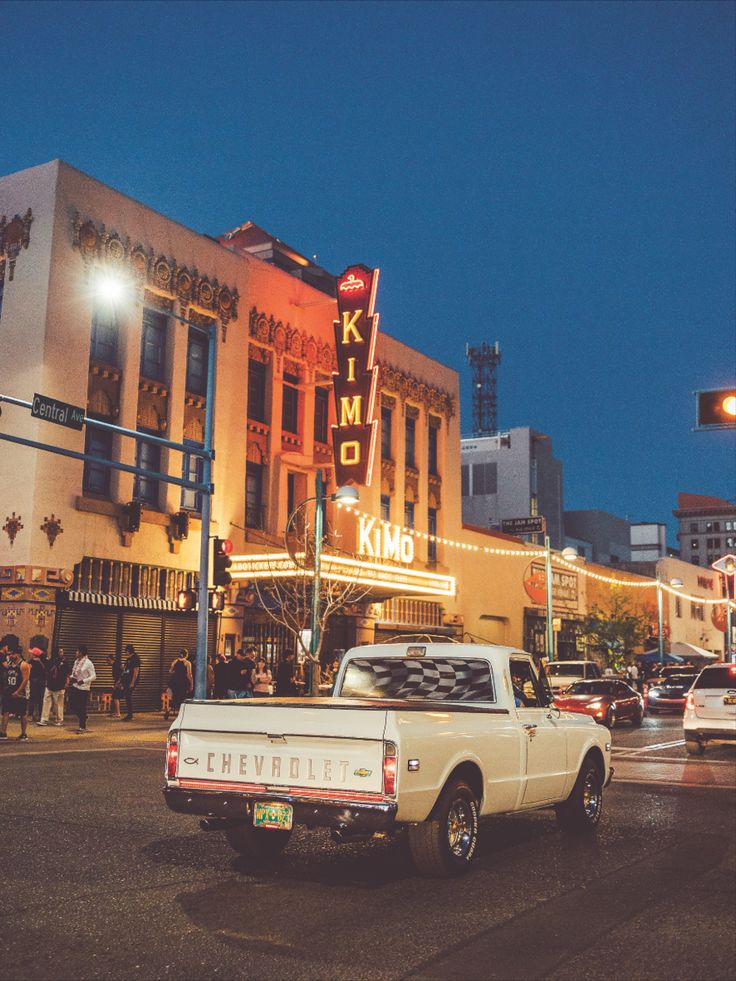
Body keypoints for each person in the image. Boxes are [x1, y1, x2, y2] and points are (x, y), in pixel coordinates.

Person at [0, 647, 31, 740]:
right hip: (9, 691)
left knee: (22, 713)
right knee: (5, 711)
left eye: (12, 654)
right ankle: (3, 732)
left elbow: (25, 680)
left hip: (19, 692)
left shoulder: (24, 665)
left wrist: (18, 691)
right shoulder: (10, 664)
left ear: (18, 654)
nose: (10, 656)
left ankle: (24, 733)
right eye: (9, 654)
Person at [38, 647, 69, 726]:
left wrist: (66, 682)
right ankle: (44, 719)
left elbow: (67, 673)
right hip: (50, 684)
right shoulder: (51, 661)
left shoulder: (64, 662)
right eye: (60, 652)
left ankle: (59, 719)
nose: (62, 653)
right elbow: (47, 669)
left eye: (62, 652)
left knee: (59, 704)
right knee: (46, 702)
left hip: (59, 685)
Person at [68, 645, 96, 733]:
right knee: (72, 704)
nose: (76, 652)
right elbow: (75, 673)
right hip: (75, 686)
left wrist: (83, 681)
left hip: (84, 688)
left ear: (81, 652)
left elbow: (94, 676)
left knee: (81, 706)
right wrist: (71, 677)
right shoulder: (76, 661)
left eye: (77, 651)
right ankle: (83, 717)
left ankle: (82, 726)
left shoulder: (88, 663)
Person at [167, 648, 193, 717]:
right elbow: (189, 674)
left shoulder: (175, 661)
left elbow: (170, 671)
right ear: (186, 655)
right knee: (183, 697)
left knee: (175, 697)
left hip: (174, 681)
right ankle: (181, 714)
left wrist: (175, 672)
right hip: (183, 682)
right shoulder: (187, 663)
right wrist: (191, 683)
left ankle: (169, 709)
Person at [120, 643, 141, 721]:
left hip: (131, 680)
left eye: (126, 651)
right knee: (127, 696)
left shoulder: (135, 658)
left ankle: (130, 715)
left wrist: (132, 682)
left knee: (128, 695)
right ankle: (129, 714)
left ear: (129, 651)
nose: (125, 653)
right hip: (126, 680)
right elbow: (126, 669)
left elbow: (136, 671)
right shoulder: (128, 659)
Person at [28, 647, 47, 722]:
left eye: (32, 653)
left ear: (35, 655)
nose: (30, 654)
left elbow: (45, 671)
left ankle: (32, 715)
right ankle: (37, 715)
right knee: (38, 699)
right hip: (38, 682)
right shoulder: (35, 661)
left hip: (36, 682)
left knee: (34, 699)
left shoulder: (35, 662)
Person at [108, 650, 123, 718]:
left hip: (119, 683)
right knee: (115, 697)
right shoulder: (115, 665)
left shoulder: (116, 665)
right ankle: (115, 712)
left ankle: (118, 713)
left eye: (108, 661)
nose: (107, 662)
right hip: (118, 682)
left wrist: (116, 684)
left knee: (116, 697)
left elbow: (120, 676)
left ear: (110, 659)